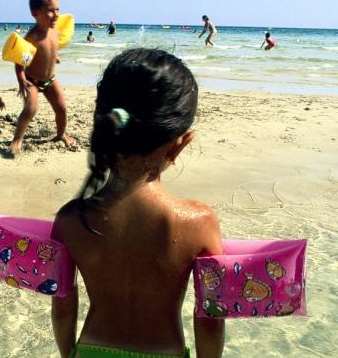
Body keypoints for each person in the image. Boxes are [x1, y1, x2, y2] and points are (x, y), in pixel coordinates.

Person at [51, 48, 224, 358]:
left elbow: (63, 309)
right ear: (180, 142)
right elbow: (210, 321)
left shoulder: (70, 220)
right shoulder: (199, 222)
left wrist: (69, 355)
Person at [10, 0, 75, 154]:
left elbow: (51, 49)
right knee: (30, 109)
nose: (56, 14)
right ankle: (17, 139)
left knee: (61, 108)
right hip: (32, 80)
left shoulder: (55, 32)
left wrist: (54, 57)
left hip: (50, 79)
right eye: (50, 11)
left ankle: (61, 134)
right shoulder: (32, 37)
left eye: (57, 9)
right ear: (35, 13)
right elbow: (20, 62)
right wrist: (21, 80)